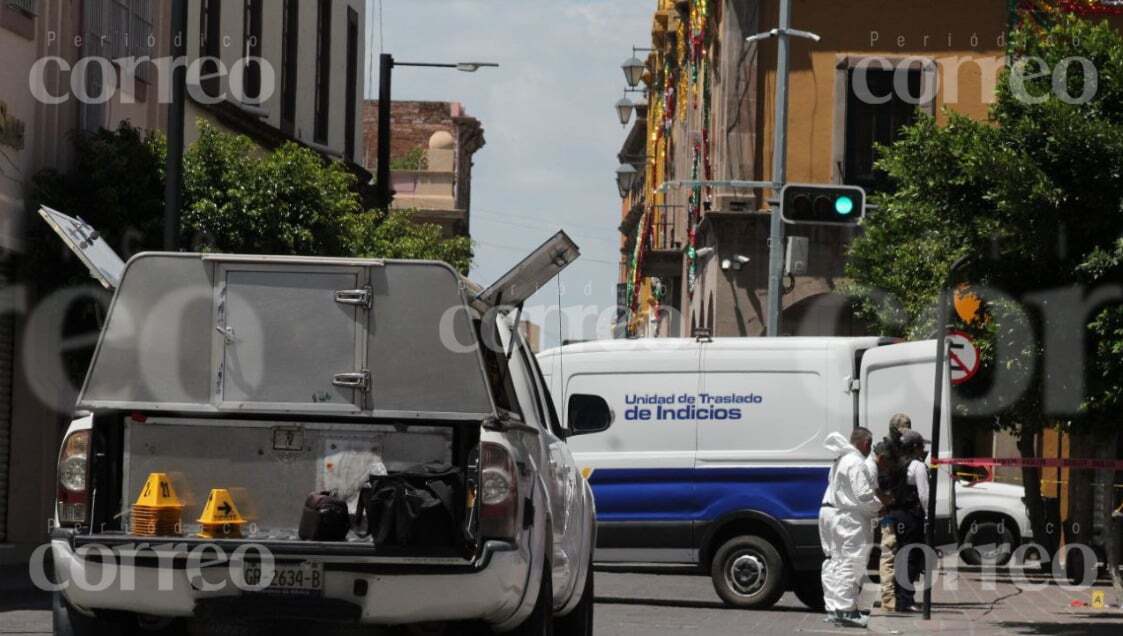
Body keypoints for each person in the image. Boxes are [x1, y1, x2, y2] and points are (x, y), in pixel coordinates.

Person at [820, 427, 882, 628]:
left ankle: (834, 608)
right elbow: (863, 494)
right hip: (850, 518)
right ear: (866, 443)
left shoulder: (840, 459)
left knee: (835, 561)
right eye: (870, 445)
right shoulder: (855, 462)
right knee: (851, 561)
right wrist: (880, 507)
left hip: (833, 514)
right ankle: (847, 611)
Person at [877, 413, 913, 612]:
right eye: (902, 429)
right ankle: (888, 599)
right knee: (889, 553)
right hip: (890, 509)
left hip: (903, 510)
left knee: (904, 554)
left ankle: (900, 596)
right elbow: (884, 480)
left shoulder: (902, 449)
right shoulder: (886, 449)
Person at [894, 430, 929, 612]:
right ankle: (907, 600)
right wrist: (928, 514)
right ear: (915, 447)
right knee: (912, 557)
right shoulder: (918, 466)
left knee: (900, 555)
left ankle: (899, 598)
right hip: (912, 516)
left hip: (897, 514)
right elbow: (923, 495)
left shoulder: (898, 464)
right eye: (922, 446)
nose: (924, 450)